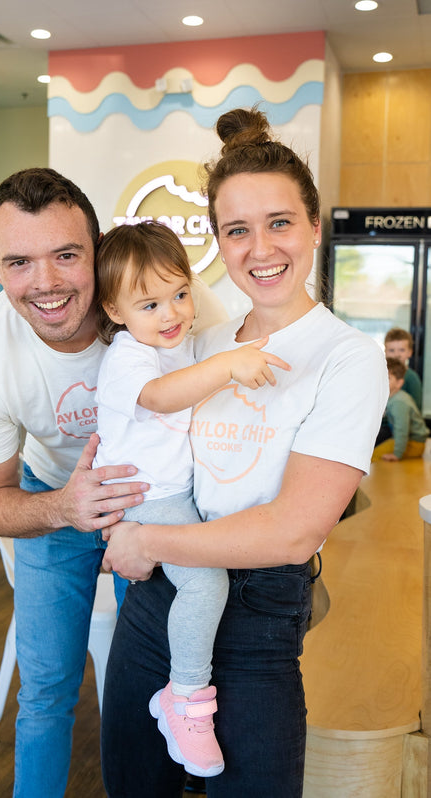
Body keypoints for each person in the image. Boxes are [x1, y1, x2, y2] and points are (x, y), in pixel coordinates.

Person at [99, 107, 389, 798]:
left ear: (315, 226)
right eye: (237, 230)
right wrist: (100, 496)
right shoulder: (199, 341)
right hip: (154, 599)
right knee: (132, 785)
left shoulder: (346, 359)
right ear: (219, 243)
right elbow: (137, 429)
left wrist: (145, 537)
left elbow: (294, 531)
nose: (260, 248)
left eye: (279, 222)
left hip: (257, 613)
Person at [0, 167, 228, 798]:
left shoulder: (164, 303)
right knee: (46, 689)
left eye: (66, 255)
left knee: (147, 677)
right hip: (50, 498)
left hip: (154, 506)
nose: (44, 283)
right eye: (19, 262)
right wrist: (65, 508)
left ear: (97, 252)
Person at [94, 220, 290, 778]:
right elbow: (158, 399)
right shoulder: (132, 354)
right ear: (115, 311)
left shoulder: (170, 344)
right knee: (207, 581)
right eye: (150, 303)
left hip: (172, 494)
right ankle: (184, 698)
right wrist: (227, 366)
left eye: (180, 294)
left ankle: (181, 695)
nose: (172, 313)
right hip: (147, 498)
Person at [372, 358, 428, 462]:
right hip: (408, 440)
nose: (382, 381)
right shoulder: (393, 398)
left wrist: (396, 454)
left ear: (399, 383)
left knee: (374, 456)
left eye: (387, 378)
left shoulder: (399, 402)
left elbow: (402, 429)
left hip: (414, 443)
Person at [384, 327, 422, 410]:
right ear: (385, 351)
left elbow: (415, 409)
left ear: (410, 352)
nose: (397, 354)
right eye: (391, 350)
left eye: (401, 350)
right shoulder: (380, 374)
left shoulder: (412, 378)